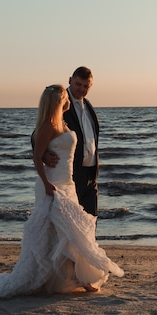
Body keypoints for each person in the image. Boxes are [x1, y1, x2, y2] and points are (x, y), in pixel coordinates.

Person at [0, 84, 123, 298]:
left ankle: (73, 276)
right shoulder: (47, 126)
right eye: (64, 97)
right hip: (52, 185)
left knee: (67, 231)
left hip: (67, 184)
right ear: (59, 101)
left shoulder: (63, 123)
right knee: (67, 230)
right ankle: (82, 278)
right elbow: (36, 155)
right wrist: (46, 181)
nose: (68, 98)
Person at [40, 66, 100, 217]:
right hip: (70, 174)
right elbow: (38, 133)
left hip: (91, 174)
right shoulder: (59, 102)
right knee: (72, 225)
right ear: (70, 81)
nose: (81, 89)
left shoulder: (89, 107)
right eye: (78, 84)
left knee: (90, 221)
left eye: (86, 86)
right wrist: (43, 154)